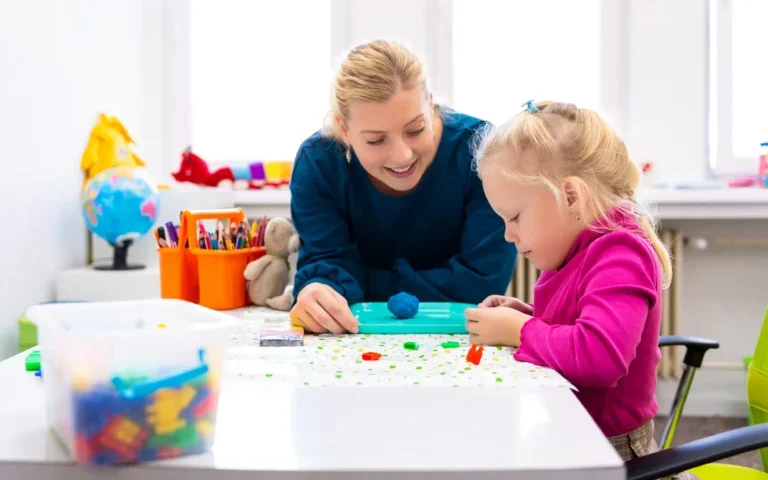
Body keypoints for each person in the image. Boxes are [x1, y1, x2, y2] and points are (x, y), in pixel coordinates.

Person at [464, 100, 696, 479]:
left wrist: (520, 331)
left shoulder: (621, 252)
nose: (508, 234)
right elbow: (578, 323)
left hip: (615, 457)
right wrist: (526, 316)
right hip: (572, 436)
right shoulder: (577, 249)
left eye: (515, 216)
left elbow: (599, 357)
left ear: (570, 196)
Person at [288, 40, 517, 335]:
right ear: (343, 129)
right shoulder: (318, 164)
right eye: (376, 140)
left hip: (462, 335)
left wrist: (360, 283)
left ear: (430, 103)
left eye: (415, 129)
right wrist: (317, 291)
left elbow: (482, 282)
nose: (402, 156)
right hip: (355, 339)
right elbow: (326, 265)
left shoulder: (482, 152)